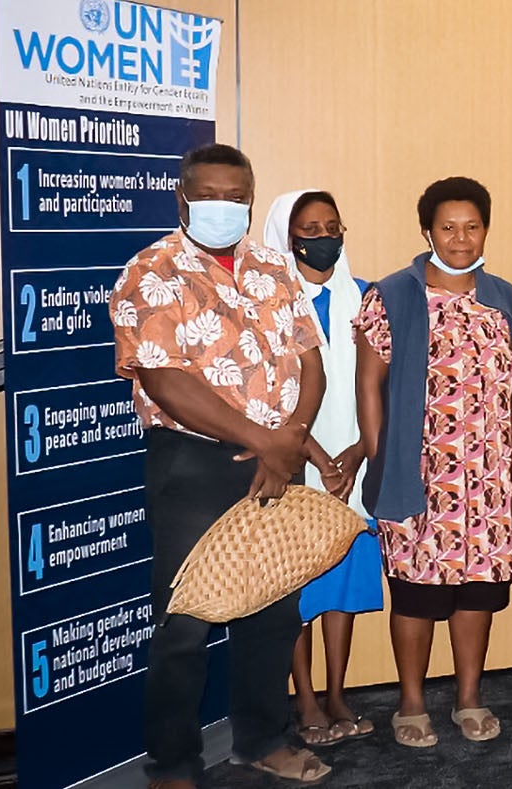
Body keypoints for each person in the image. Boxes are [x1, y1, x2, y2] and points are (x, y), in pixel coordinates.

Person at [111, 143, 338, 786]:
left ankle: (262, 739)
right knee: (183, 620)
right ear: (183, 196)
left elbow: (310, 364)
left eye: (233, 196)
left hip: (277, 456)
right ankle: (172, 763)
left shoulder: (273, 268)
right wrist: (262, 440)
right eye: (206, 194)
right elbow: (163, 381)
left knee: (272, 607)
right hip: (193, 464)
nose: (221, 206)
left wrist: (288, 439)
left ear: (249, 197)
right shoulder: (150, 271)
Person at [352, 176, 512, 748]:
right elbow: (369, 383)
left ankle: (470, 696)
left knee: (477, 590)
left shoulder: (509, 300)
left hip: (491, 480)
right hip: (418, 475)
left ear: (486, 230)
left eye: (472, 226)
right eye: (447, 227)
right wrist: (381, 457)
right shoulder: (393, 293)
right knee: (418, 594)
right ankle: (411, 701)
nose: (460, 238)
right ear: (426, 230)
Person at [261, 190, 384, 748]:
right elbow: (264, 392)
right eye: (310, 227)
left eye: (332, 225)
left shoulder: (364, 298)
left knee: (342, 586)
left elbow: (378, 386)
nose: (323, 237)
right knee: (297, 594)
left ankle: (337, 692)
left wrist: (358, 452)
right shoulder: (267, 303)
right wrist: (313, 453)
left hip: (352, 466)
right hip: (293, 464)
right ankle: (304, 698)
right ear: (288, 237)